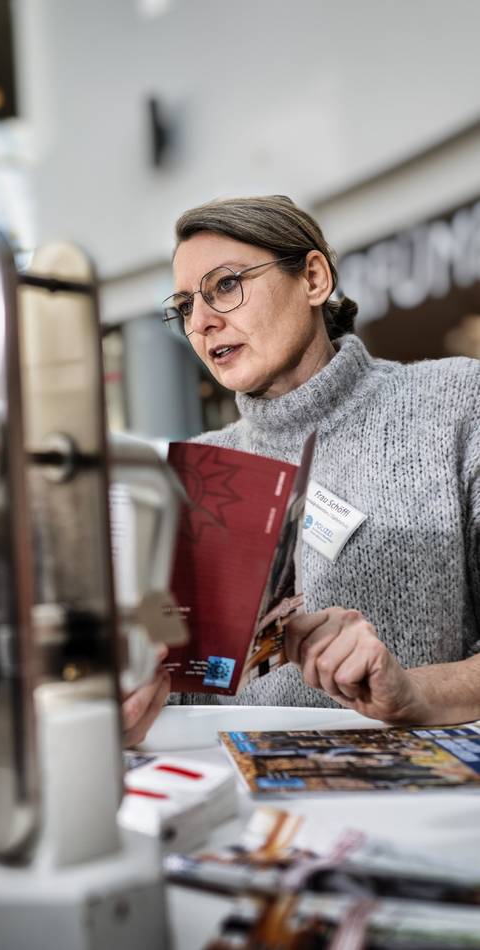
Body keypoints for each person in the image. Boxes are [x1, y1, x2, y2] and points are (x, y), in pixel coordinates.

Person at [162, 194, 480, 724]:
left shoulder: (456, 403)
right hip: (245, 801)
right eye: (184, 305)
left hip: (422, 796)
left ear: (313, 278)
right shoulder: (202, 468)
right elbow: (184, 691)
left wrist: (414, 691)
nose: (201, 322)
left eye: (224, 285)